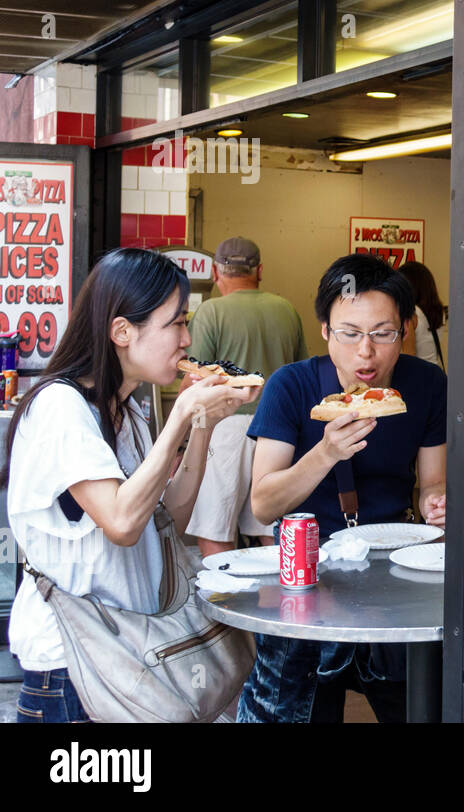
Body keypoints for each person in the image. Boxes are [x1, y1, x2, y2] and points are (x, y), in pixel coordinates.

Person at [5, 248, 255, 723]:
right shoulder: (61, 407)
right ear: (122, 331)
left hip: (131, 652)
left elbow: (166, 520)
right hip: (74, 667)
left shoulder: (128, 410)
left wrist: (201, 424)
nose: (187, 340)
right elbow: (120, 522)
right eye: (176, 324)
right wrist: (180, 416)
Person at [237, 254, 447, 723]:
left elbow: (432, 482)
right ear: (325, 330)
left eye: (383, 333)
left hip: (394, 575)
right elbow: (264, 503)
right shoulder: (291, 386)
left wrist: (436, 503)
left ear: (406, 329)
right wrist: (325, 453)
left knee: (419, 709)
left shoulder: (426, 384)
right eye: (349, 333)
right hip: (306, 579)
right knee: (295, 711)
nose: (365, 353)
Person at [181, 236, 308, 557]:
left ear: (215, 272)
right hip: (278, 431)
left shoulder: (211, 312)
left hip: (225, 428)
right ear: (259, 271)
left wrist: (181, 437)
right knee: (271, 530)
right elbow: (300, 375)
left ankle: (223, 589)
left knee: (215, 528)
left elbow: (195, 380)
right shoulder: (286, 310)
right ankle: (281, 589)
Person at [398, 260, 447, 370]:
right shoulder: (438, 311)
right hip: (435, 372)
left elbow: (409, 358)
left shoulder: (411, 314)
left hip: (418, 374)